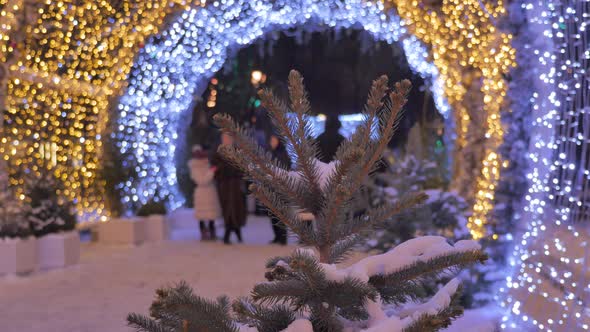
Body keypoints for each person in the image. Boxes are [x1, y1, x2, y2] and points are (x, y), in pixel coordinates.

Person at [213, 132, 248, 244]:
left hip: (235, 185)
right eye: (224, 138)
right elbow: (215, 168)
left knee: (236, 208)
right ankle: (229, 231)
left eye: (228, 138)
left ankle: (235, 231)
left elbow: (242, 168)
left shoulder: (237, 152)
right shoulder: (218, 153)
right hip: (224, 185)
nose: (226, 140)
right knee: (226, 208)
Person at [188, 145, 221, 241]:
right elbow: (201, 180)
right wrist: (211, 172)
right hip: (202, 193)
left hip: (210, 192)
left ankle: (212, 232)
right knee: (202, 214)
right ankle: (204, 233)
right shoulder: (194, 167)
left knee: (211, 214)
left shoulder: (207, 163)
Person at [268, 134, 291, 245]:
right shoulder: (271, 153)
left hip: (280, 188)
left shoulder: (282, 154)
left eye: (274, 140)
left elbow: (284, 169)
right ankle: (277, 236)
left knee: (280, 213)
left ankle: (282, 237)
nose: (271, 142)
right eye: (271, 140)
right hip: (271, 187)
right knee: (273, 214)